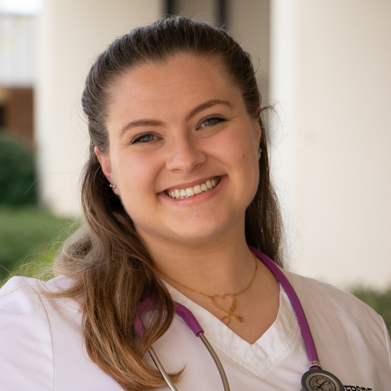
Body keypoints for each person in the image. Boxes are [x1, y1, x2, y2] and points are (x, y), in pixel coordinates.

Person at [0, 16, 390, 391]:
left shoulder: (357, 329)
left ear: (256, 130)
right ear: (107, 166)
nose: (185, 158)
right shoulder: (36, 330)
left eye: (210, 121)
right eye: (145, 137)